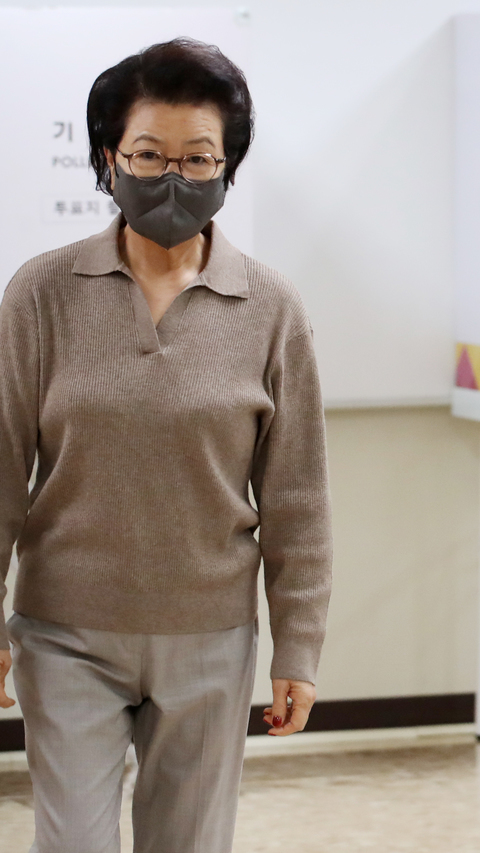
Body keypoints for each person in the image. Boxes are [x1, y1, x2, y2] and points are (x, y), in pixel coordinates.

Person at [0, 38, 332, 852]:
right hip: (65, 631)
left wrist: (299, 644)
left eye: (198, 158)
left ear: (229, 166)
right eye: (149, 155)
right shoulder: (40, 293)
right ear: (108, 158)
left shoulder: (270, 307)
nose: (172, 178)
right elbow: (2, 469)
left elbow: (296, 497)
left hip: (209, 639)